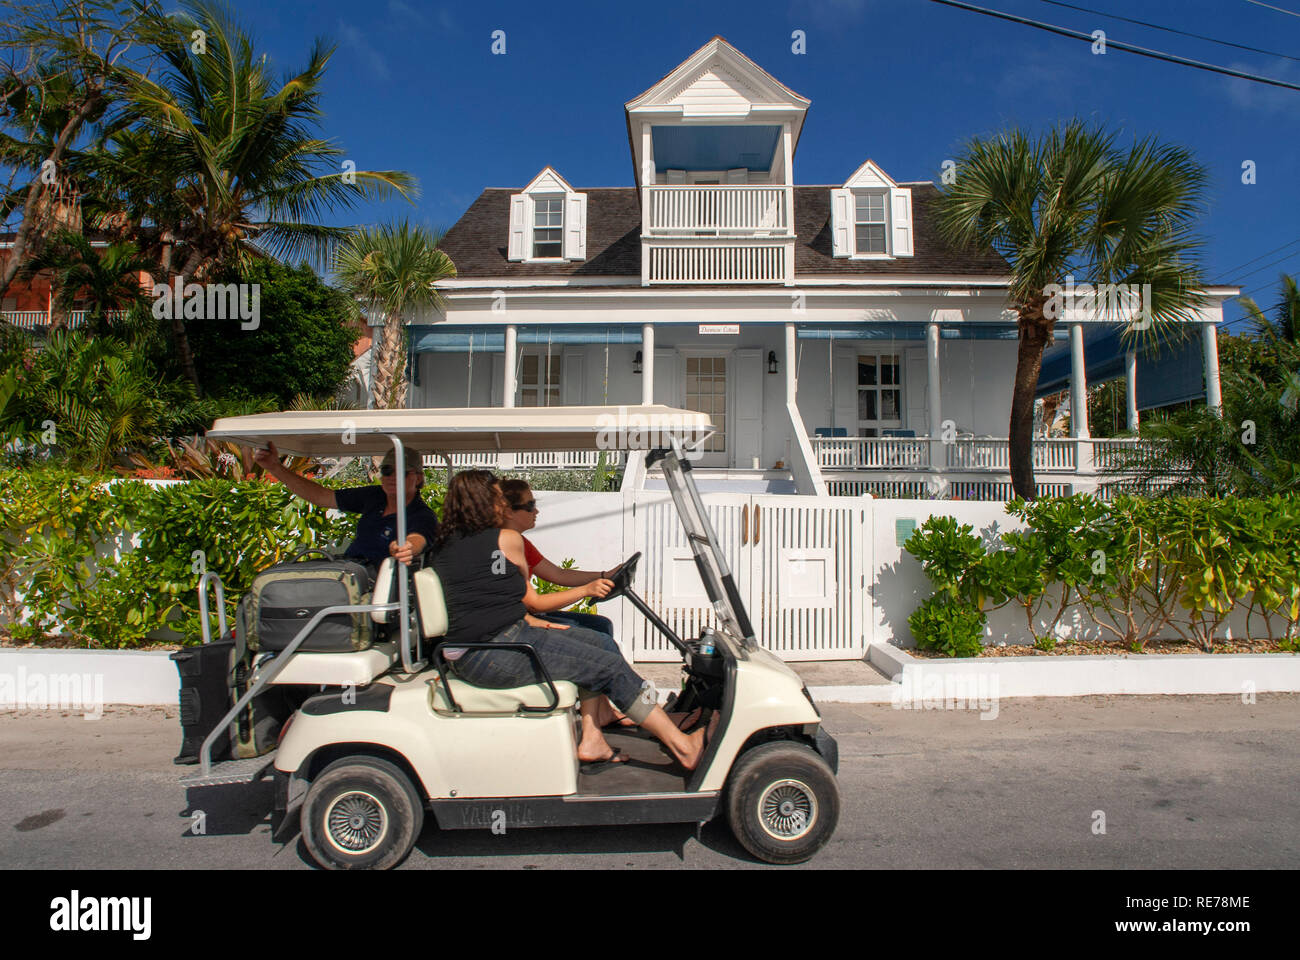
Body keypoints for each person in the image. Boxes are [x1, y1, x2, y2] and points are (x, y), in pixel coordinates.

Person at [433, 470, 705, 772]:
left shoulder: (444, 545)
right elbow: (520, 598)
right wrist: (568, 602)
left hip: (481, 648)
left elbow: (491, 601)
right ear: (483, 501)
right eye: (497, 497)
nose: (501, 504)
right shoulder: (506, 539)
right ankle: (683, 747)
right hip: (494, 650)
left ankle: (594, 737)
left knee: (598, 641)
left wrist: (540, 624)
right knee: (609, 665)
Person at [252, 442, 438, 572]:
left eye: (402, 472)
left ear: (419, 478)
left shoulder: (422, 515)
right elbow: (322, 497)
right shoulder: (374, 496)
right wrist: (275, 468)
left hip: (378, 588)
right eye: (387, 471)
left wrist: (405, 548)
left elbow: (417, 539)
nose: (392, 477)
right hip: (348, 573)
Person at [499, 479, 618, 642]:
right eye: (530, 506)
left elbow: (558, 574)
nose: (536, 511)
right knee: (599, 638)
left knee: (601, 624)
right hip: (516, 624)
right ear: (508, 512)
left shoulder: (522, 543)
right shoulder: (503, 546)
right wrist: (586, 590)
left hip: (524, 617)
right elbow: (533, 603)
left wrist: (605, 575)